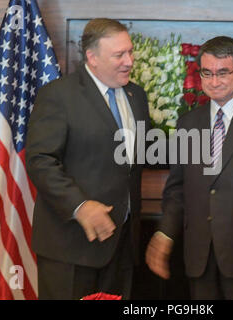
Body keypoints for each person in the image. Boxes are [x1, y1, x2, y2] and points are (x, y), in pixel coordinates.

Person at [145, 36, 233, 300]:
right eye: (207, 73)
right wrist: (165, 233)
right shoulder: (188, 123)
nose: (214, 82)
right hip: (199, 257)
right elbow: (177, 189)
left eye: (223, 73)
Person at [26, 18, 151, 300]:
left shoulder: (136, 95)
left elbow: (137, 158)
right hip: (70, 245)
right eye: (119, 55)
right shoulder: (58, 95)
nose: (129, 61)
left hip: (121, 245)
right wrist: (80, 206)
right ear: (92, 57)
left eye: (130, 52)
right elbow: (41, 161)